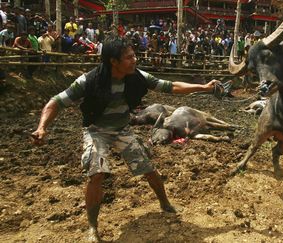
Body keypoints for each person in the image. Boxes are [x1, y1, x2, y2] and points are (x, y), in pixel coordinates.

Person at [31, 38, 222, 242]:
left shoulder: (137, 77)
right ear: (113, 61)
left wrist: (203, 87)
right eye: (129, 57)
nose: (135, 60)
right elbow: (55, 102)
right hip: (96, 131)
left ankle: (165, 203)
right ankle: (92, 228)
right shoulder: (89, 80)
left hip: (122, 130)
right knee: (97, 173)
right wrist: (42, 127)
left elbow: (171, 86)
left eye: (134, 55)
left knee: (149, 170)